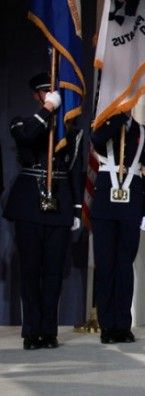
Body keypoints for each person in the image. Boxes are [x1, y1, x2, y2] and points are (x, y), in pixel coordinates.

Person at [3, 72, 82, 350]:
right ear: (37, 95)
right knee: (31, 270)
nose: (50, 95)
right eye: (45, 92)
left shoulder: (71, 133)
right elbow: (27, 137)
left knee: (52, 272)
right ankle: (31, 330)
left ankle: (48, 331)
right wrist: (47, 110)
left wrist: (75, 208)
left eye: (53, 92)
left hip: (58, 204)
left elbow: (74, 171)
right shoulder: (20, 123)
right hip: (29, 205)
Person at [90, 112, 145, 344]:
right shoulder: (102, 127)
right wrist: (116, 119)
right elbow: (97, 140)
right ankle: (107, 326)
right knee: (106, 266)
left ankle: (123, 326)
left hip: (132, 205)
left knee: (125, 267)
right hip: (105, 206)